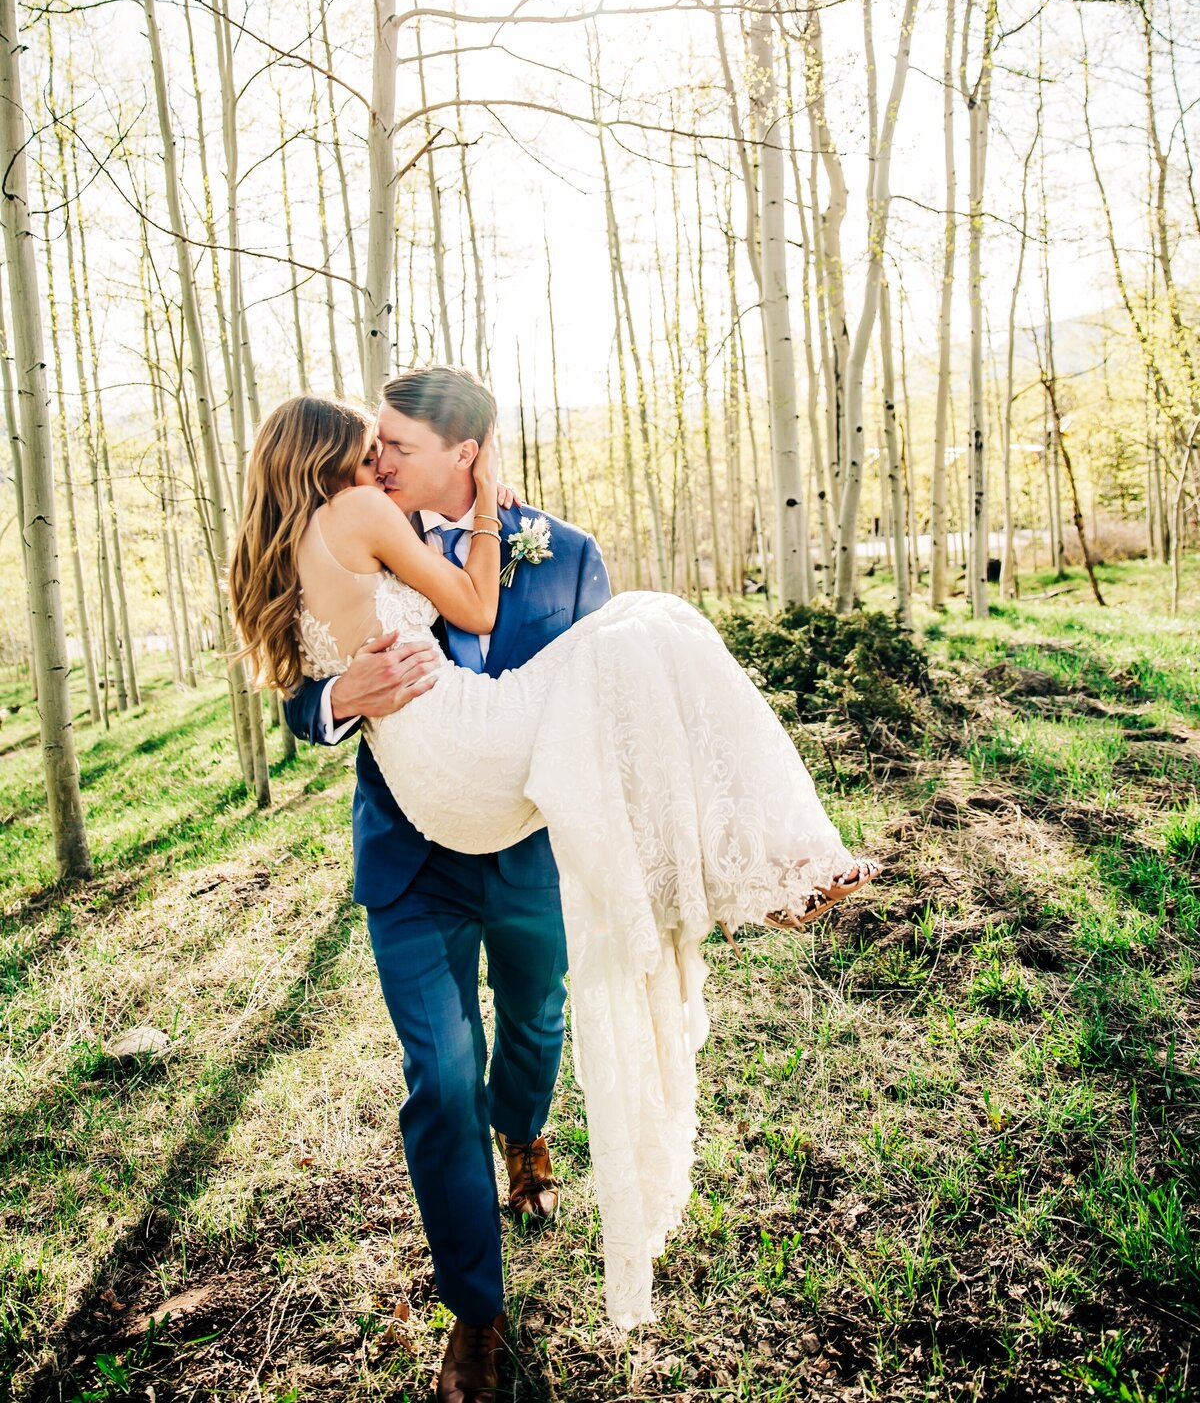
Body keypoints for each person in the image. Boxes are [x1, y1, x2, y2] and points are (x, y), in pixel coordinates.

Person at [230, 373, 876, 1400]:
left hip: (528, 847)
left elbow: (616, 722)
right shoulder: (361, 520)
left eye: (398, 445)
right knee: (440, 1082)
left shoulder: (565, 552)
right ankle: (475, 1317)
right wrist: (334, 701)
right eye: (372, 446)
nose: (383, 462)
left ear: (467, 452)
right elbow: (305, 685)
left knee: (533, 1032)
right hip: (414, 854)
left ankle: (525, 1128)